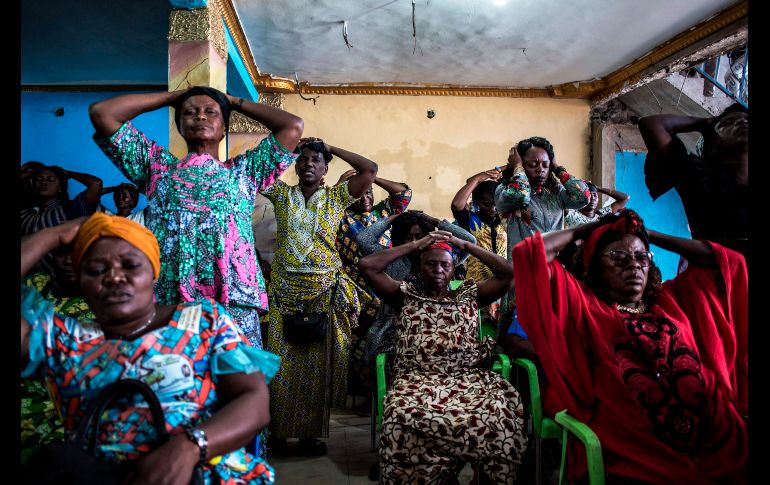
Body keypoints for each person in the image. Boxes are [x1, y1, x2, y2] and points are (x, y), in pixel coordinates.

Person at [21, 213, 280, 484]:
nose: (114, 278)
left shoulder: (205, 322)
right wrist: (55, 235)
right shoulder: (63, 339)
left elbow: (253, 400)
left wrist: (189, 447)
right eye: (97, 271)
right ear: (81, 280)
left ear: (153, 272)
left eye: (130, 265)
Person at [512, 209, 747, 484]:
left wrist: (647, 235)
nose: (633, 266)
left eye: (641, 258)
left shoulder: (672, 301)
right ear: (594, 265)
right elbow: (529, 253)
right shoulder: (585, 308)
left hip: (716, 435)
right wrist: (586, 231)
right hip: (639, 443)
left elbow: (722, 261)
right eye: (619, 257)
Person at [89, 86, 303, 349]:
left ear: (224, 128)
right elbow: (103, 113)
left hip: (234, 301)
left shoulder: (245, 171)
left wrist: (232, 101)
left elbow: (292, 126)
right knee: (173, 380)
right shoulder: (157, 168)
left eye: (210, 112)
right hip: (169, 299)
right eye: (189, 112)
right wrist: (171, 98)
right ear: (180, 127)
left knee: (238, 380)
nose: (200, 116)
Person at [359, 231, 527, 484]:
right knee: (402, 414)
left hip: (466, 379)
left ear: (452, 269)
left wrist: (465, 245)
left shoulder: (470, 295)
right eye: (431, 263)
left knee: (499, 412)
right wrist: (415, 244)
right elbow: (367, 266)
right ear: (420, 266)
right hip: (416, 380)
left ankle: (484, 477)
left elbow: (509, 273)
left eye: (444, 265)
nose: (438, 270)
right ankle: (433, 476)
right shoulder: (404, 295)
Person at [262, 137, 377, 456]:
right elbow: (257, 174)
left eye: (316, 160)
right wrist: (286, 148)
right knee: (283, 365)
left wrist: (332, 148)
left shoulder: (337, 196)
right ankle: (279, 435)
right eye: (304, 160)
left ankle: (311, 436)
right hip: (285, 292)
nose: (309, 163)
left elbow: (369, 170)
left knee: (316, 367)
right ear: (296, 166)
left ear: (326, 168)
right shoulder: (282, 194)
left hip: (324, 293)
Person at [356, 210, 476, 361]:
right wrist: (394, 219)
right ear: (399, 239)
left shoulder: (438, 260)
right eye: (408, 238)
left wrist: (435, 221)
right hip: (397, 329)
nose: (414, 241)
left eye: (419, 237)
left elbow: (470, 241)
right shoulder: (391, 258)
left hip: (439, 326)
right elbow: (363, 240)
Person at [336, 173, 412, 407]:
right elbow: (333, 200)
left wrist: (371, 177)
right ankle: (361, 393)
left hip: (386, 286)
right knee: (357, 344)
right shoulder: (341, 216)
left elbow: (403, 193)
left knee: (382, 341)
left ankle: (378, 395)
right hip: (355, 289)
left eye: (368, 192)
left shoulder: (384, 212)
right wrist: (345, 185)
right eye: (360, 193)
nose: (365, 197)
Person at [638, 103, 748, 259]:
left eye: (747, 120)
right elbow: (651, 125)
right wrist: (704, 123)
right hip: (719, 274)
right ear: (713, 143)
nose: (743, 122)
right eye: (728, 123)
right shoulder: (696, 176)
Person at [451, 168, 507, 334]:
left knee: (500, 330)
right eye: (486, 204)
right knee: (476, 329)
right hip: (477, 285)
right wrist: (478, 178)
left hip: (503, 284)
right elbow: (456, 204)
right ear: (477, 203)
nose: (492, 209)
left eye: (495, 204)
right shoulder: (469, 220)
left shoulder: (507, 220)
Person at [21, 165, 103, 235]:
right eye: (39, 179)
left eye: (50, 179)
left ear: (60, 188)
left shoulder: (70, 208)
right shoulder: (26, 212)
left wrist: (67, 173)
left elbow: (96, 184)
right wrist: (30, 173)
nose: (43, 182)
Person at [565, 182, 629, 228]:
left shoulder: (602, 214)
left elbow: (625, 198)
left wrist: (597, 188)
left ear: (598, 199)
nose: (593, 198)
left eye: (595, 195)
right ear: (581, 198)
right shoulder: (572, 214)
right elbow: (561, 201)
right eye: (589, 195)